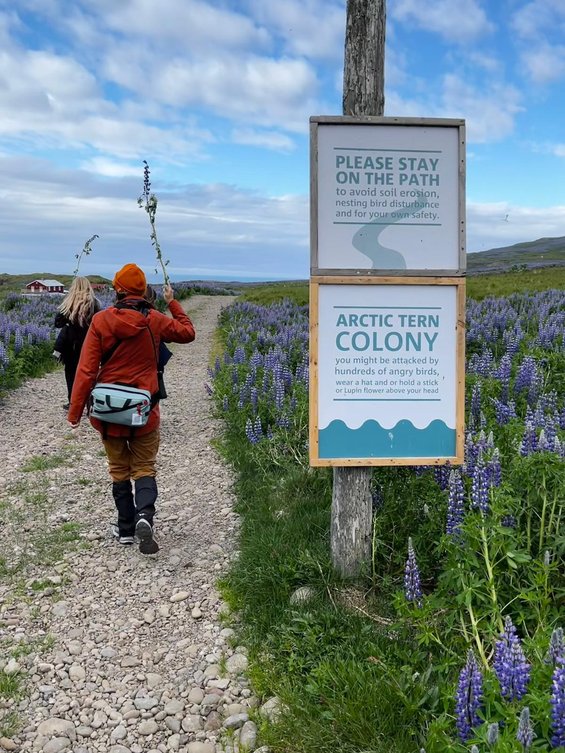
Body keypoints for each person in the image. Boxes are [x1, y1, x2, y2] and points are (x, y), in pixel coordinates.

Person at [67, 264, 195, 554]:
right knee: (144, 467)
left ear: (118, 290)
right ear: (143, 291)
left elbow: (86, 370)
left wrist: (75, 412)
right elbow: (188, 332)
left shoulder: (100, 321)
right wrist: (172, 300)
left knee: (118, 469)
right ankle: (144, 517)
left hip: (108, 414)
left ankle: (125, 528)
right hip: (144, 411)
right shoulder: (156, 320)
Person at [53, 276, 100, 409]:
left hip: (70, 345)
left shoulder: (69, 303)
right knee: (90, 373)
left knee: (71, 373)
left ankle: (73, 403)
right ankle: (90, 402)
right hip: (90, 343)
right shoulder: (95, 304)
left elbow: (58, 323)